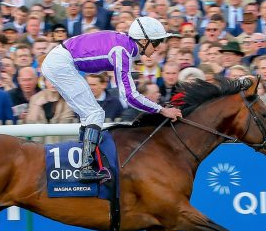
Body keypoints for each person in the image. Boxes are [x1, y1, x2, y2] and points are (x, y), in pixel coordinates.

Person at [41, 17, 182, 182]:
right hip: (60, 64)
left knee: (90, 114)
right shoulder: (122, 51)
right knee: (95, 113)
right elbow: (129, 96)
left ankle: (86, 163)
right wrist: (161, 109)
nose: (158, 48)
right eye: (156, 43)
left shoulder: (125, 46)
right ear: (144, 41)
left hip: (60, 61)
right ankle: (85, 168)